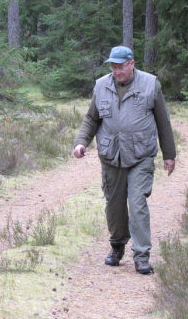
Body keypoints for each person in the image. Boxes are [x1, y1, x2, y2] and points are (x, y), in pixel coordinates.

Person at [73, 46, 176, 275]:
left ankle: (141, 256)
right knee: (114, 205)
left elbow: (163, 122)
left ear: (131, 63)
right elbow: (92, 118)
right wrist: (81, 143)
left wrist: (169, 155)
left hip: (141, 155)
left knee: (137, 202)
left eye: (120, 66)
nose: (116, 71)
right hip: (111, 155)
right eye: (113, 66)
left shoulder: (150, 84)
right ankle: (117, 246)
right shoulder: (101, 86)